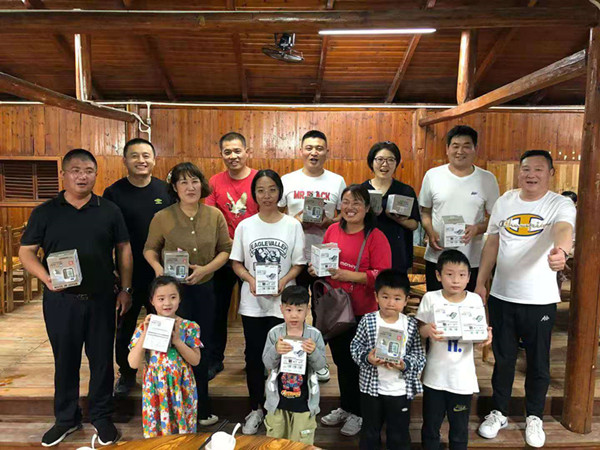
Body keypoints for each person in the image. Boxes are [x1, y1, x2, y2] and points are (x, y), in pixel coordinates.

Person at [19, 149, 132, 447]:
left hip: (102, 299)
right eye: (76, 170)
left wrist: (126, 289)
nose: (82, 176)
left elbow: (124, 249)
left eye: (88, 171)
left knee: (102, 360)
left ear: (96, 174)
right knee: (65, 360)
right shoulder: (45, 212)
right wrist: (46, 278)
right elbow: (26, 252)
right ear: (64, 175)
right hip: (61, 301)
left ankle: (102, 416)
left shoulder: (109, 210)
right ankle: (66, 419)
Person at [475, 150, 575, 448]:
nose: (531, 174)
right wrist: (481, 282)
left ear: (551, 173)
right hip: (502, 295)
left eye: (539, 169)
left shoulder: (559, 203)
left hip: (540, 299)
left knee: (538, 362)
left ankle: (534, 416)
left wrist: (561, 251)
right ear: (519, 172)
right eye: (526, 169)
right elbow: (492, 243)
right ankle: (499, 412)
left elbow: (564, 229)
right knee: (503, 359)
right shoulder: (505, 201)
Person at [144, 162, 232, 427]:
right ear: (174, 187)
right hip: (172, 296)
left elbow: (225, 250)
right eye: (183, 182)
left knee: (199, 346)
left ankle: (201, 407)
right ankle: (170, 407)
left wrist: (205, 269)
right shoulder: (162, 217)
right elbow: (150, 249)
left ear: (202, 185)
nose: (190, 187)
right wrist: (160, 270)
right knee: (170, 346)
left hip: (205, 289)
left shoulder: (214, 215)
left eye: (194, 181)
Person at [308, 184, 392, 437]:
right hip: (336, 310)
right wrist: (316, 268)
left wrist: (349, 275)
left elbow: (383, 275)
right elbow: (325, 263)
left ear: (367, 208)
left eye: (356, 202)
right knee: (342, 361)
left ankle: (361, 413)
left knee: (361, 364)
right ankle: (346, 406)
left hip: (362, 311)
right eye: (346, 202)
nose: (350, 207)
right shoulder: (332, 230)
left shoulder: (376, 236)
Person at [230, 169, 306, 435]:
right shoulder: (245, 225)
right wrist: (250, 279)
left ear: (280, 192)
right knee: (254, 356)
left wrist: (284, 281)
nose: (267, 195)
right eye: (260, 190)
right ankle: (256, 408)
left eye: (272, 189)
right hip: (253, 303)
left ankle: (282, 408)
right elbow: (236, 263)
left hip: (284, 304)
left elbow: (298, 263)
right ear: (254, 194)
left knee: (285, 355)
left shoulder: (292, 225)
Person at [103, 137, 172, 398]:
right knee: (126, 326)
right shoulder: (114, 193)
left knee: (163, 325)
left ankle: (161, 371)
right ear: (125, 160)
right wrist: (114, 272)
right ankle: (127, 373)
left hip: (161, 274)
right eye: (134, 156)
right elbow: (107, 236)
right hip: (127, 274)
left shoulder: (166, 190)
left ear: (154, 160)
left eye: (146, 155)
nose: (141, 160)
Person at [279, 129, 346, 383]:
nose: (313, 152)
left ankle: (318, 360)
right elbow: (276, 214)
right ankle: (292, 356)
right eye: (309, 148)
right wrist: (293, 220)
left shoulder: (337, 181)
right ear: (301, 151)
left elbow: (345, 215)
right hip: (294, 256)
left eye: (319, 148)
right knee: (293, 309)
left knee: (322, 312)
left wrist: (330, 221)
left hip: (325, 258)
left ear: (327, 151)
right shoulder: (288, 180)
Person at [416, 250, 492, 450]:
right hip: (434, 376)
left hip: (462, 378)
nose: (456, 280)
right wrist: (427, 330)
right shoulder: (430, 298)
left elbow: (480, 333)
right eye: (449, 274)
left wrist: (485, 337)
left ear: (469, 277)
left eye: (461, 275)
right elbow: (419, 330)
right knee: (431, 425)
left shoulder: (474, 300)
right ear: (438, 275)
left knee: (459, 428)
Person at [350, 269, 426, 450]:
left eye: (397, 298)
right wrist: (367, 358)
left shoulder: (410, 324)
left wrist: (405, 364)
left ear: (406, 300)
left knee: (399, 433)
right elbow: (355, 346)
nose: (391, 303)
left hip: (399, 390)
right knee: (370, 431)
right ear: (376, 297)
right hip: (371, 389)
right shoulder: (368, 320)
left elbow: (419, 355)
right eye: (385, 297)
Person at [419, 125, 500, 292]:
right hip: (437, 256)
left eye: (466, 146)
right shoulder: (433, 175)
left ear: (475, 149)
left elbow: (495, 219)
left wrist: (477, 229)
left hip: (471, 259)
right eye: (455, 146)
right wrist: (430, 231)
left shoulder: (487, 179)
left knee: (468, 304)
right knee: (436, 303)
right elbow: (425, 211)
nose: (460, 151)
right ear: (447, 149)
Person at [205, 132, 258, 380]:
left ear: (247, 152)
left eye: (237, 151)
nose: (233, 156)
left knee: (254, 310)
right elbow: (210, 218)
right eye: (227, 152)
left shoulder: (259, 179)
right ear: (221, 155)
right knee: (217, 310)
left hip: (254, 256)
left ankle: (254, 359)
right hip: (224, 255)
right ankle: (215, 359)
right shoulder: (215, 181)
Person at [128, 276, 202, 438]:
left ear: (180, 298)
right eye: (161, 299)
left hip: (181, 386)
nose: (167, 303)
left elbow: (196, 360)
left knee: (183, 430)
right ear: (152, 301)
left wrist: (177, 341)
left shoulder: (189, 326)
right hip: (155, 386)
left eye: (173, 297)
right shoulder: (144, 327)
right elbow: (133, 363)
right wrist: (145, 334)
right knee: (157, 432)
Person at [262, 286, 327, 445]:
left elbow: (321, 366)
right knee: (275, 443)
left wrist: (313, 352)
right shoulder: (275, 333)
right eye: (289, 310)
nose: (294, 315)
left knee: (301, 444)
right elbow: (267, 363)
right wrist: (276, 350)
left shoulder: (314, 335)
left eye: (299, 310)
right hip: (277, 401)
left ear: (307, 310)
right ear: (281, 309)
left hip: (305, 402)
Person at [361, 141, 420, 274]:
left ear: (396, 163)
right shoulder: (362, 190)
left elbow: (414, 224)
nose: (385, 164)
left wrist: (396, 218)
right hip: (368, 250)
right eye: (380, 159)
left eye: (390, 160)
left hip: (397, 252)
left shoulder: (405, 191)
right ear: (371, 162)